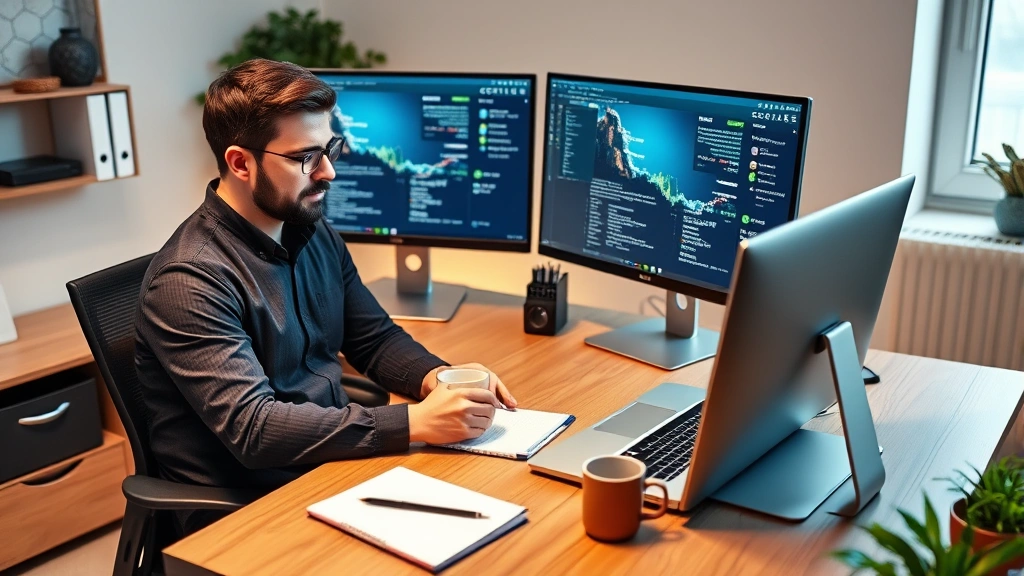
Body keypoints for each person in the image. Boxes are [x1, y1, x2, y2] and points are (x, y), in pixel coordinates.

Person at [134, 58, 517, 535]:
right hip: (248, 508)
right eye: (305, 158)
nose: (328, 171)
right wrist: (414, 423)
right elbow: (255, 429)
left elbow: (372, 339)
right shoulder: (190, 281)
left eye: (330, 148)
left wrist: (439, 378)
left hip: (330, 467)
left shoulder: (310, 228)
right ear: (240, 162)